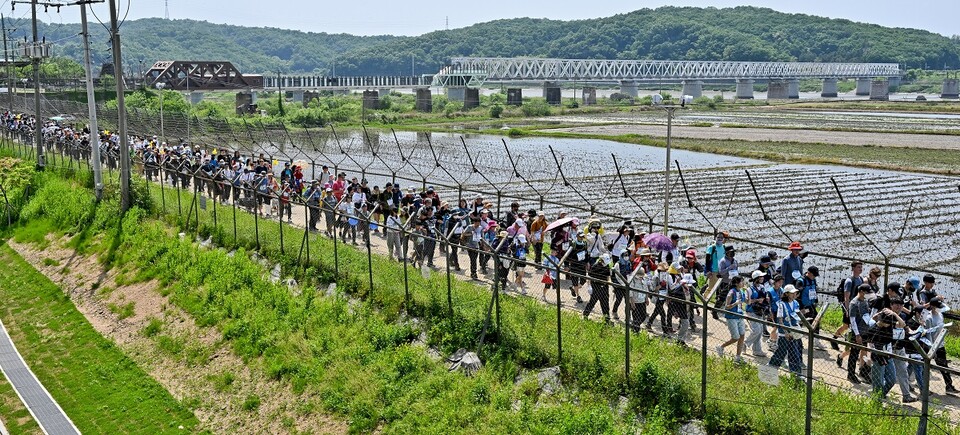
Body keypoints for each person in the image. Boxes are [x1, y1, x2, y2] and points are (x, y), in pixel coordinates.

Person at [866, 300, 905, 399]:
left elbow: (902, 324)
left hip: (888, 355)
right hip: (877, 357)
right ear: (881, 320)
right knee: (878, 382)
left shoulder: (890, 325)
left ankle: (881, 395)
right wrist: (869, 357)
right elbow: (869, 344)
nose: (888, 325)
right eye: (886, 323)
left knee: (891, 380)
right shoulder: (873, 329)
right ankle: (877, 400)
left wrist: (894, 314)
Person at [768, 284, 803, 375]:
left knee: (794, 353)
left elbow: (797, 316)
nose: (794, 294)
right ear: (787, 294)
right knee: (781, 353)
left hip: (794, 332)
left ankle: (796, 373)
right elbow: (780, 320)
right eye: (792, 293)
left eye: (795, 293)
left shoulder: (796, 303)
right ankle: (771, 367)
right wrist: (786, 332)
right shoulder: (781, 304)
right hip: (784, 334)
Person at [925, 300, 957, 394]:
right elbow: (929, 335)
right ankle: (921, 385)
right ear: (933, 306)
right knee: (924, 366)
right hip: (933, 346)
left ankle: (949, 385)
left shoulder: (940, 315)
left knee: (944, 366)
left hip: (941, 344)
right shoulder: (929, 318)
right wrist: (932, 349)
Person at [832, 261, 864, 350]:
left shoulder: (860, 279)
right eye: (858, 267)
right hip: (849, 307)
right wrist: (847, 310)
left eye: (861, 267)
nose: (860, 269)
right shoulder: (849, 281)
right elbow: (846, 297)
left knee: (852, 325)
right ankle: (834, 338)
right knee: (846, 326)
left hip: (856, 307)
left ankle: (849, 342)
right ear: (853, 268)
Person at [847, 284, 873, 384]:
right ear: (861, 291)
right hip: (857, 333)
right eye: (867, 292)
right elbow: (852, 320)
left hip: (865, 331)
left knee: (865, 351)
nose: (868, 295)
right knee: (854, 354)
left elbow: (866, 315)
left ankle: (863, 371)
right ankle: (850, 374)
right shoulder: (854, 303)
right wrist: (857, 335)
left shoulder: (865, 301)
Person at [717, 276, 748, 363]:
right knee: (735, 337)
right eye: (741, 282)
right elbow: (726, 307)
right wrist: (735, 303)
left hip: (739, 316)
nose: (743, 283)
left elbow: (747, 301)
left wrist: (748, 293)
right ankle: (721, 346)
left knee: (742, 336)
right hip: (731, 317)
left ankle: (738, 357)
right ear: (736, 283)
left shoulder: (741, 291)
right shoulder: (731, 293)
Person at [799, 266, 825, 350]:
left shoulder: (813, 280)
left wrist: (815, 300)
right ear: (808, 273)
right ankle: (797, 341)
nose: (814, 277)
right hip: (802, 306)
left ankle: (816, 341)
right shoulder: (801, 281)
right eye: (813, 275)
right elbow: (796, 296)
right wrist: (801, 308)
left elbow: (814, 290)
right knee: (799, 323)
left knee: (816, 320)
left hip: (810, 305)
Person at [583, 253, 613, 322]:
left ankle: (607, 319)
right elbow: (589, 276)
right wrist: (589, 286)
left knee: (605, 304)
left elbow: (608, 277)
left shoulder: (607, 266)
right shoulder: (595, 266)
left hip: (605, 287)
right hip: (596, 286)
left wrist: (608, 283)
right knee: (592, 302)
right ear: (602, 260)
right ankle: (585, 315)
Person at [745, 270, 769, 357]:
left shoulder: (762, 287)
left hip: (760, 311)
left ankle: (757, 350)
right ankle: (745, 344)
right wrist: (757, 300)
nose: (762, 278)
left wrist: (766, 299)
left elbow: (765, 297)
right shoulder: (749, 289)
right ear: (756, 279)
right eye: (760, 277)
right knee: (757, 330)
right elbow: (747, 301)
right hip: (751, 311)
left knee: (760, 331)